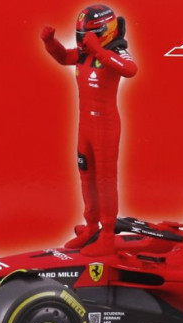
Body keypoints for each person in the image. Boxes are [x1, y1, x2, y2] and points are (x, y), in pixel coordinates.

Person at [42, 5, 137, 256]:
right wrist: (50, 43)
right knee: (86, 176)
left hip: (106, 127)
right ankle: (91, 227)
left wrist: (98, 50)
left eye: (88, 36)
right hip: (85, 127)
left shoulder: (116, 52)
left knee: (105, 181)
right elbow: (64, 57)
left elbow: (131, 69)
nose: (83, 40)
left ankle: (107, 235)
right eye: (81, 35)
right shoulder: (84, 53)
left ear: (105, 32)